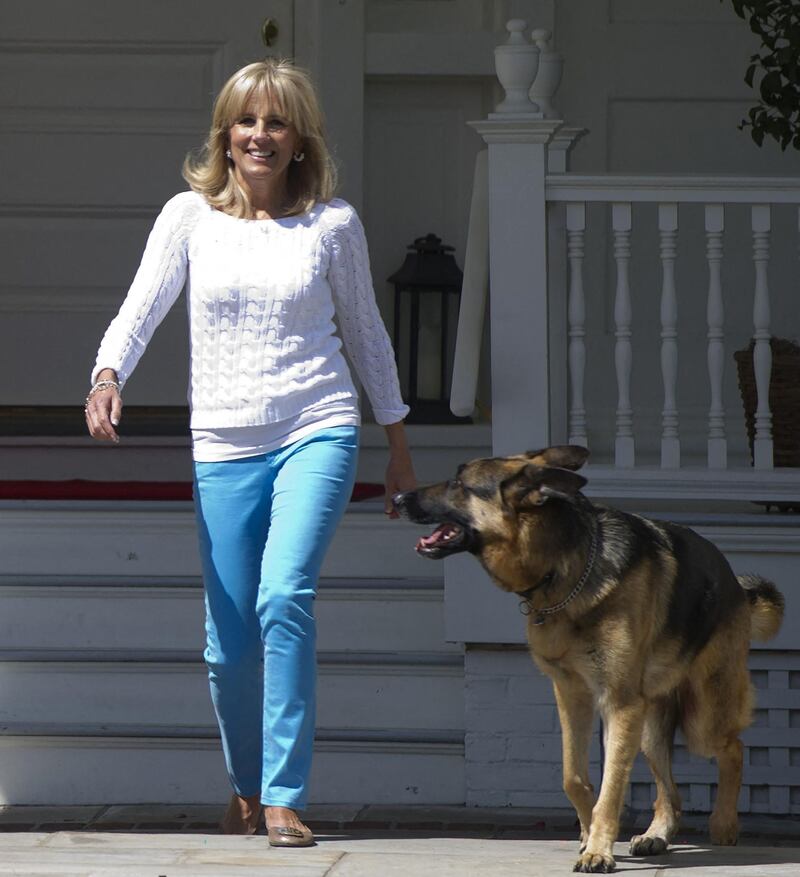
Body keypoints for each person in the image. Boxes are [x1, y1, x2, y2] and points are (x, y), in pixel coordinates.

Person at [85, 57, 416, 848]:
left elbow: (367, 336)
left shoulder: (331, 225)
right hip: (224, 441)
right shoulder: (188, 218)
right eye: (246, 121)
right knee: (228, 644)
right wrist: (107, 373)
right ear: (225, 134)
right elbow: (141, 307)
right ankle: (243, 784)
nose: (259, 135)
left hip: (317, 425)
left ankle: (283, 795)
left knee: (284, 596)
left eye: (275, 122)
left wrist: (397, 443)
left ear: (299, 139)